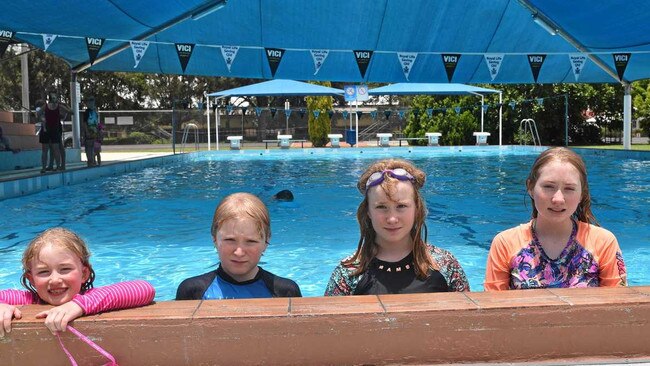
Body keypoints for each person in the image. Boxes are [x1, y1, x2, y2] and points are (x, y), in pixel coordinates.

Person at [484, 147, 627, 290]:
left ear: (582, 194)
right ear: (531, 188)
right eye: (548, 186)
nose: (558, 199)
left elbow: (619, 305)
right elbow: (492, 306)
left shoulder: (604, 242)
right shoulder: (505, 244)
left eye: (569, 189)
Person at [324, 159, 470, 296]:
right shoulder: (348, 273)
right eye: (381, 207)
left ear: (417, 209)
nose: (392, 219)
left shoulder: (445, 265)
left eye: (401, 206)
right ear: (368, 211)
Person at [0, 227, 155, 338]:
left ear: (84, 274)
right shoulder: (27, 300)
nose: (55, 280)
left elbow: (145, 289)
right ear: (32, 279)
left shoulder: (91, 297)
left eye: (65, 269)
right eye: (43, 272)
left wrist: (79, 305)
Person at [176, 192, 302, 300]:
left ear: (266, 241)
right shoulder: (192, 291)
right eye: (230, 240)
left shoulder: (286, 292)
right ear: (214, 238)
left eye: (251, 241)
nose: (239, 252)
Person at [41, 91, 70, 172]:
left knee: (58, 147)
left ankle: (61, 165)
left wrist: (64, 105)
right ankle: (52, 165)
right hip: (51, 128)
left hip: (56, 128)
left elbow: (66, 114)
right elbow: (40, 113)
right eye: (54, 98)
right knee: (52, 147)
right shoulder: (48, 106)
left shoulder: (59, 106)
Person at [81, 96, 99, 167]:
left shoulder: (95, 111)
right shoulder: (87, 112)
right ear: (87, 104)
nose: (91, 103)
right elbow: (84, 123)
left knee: (94, 147)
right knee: (88, 147)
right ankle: (90, 161)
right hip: (88, 132)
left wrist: (98, 130)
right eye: (90, 102)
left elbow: (96, 122)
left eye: (92, 101)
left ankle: (93, 160)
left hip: (94, 132)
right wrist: (87, 132)